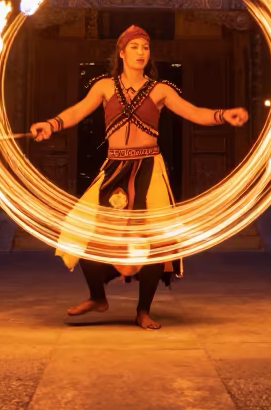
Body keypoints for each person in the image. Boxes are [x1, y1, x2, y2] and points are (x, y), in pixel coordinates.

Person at [29, 25, 249, 329]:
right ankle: (97, 296)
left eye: (145, 47)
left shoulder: (161, 90)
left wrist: (224, 115)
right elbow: (77, 112)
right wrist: (51, 125)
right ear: (121, 53)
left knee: (155, 240)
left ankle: (143, 310)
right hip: (114, 168)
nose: (140, 53)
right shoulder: (105, 86)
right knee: (81, 231)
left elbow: (194, 113)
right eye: (134, 47)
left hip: (149, 168)